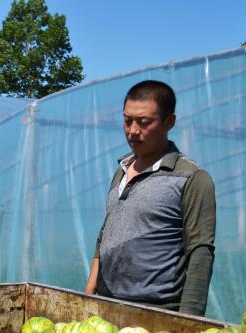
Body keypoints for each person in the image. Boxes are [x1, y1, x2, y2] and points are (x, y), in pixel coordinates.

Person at [85, 80, 216, 316]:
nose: (133, 130)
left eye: (144, 122)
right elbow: (106, 232)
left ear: (169, 122)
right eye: (127, 121)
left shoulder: (192, 178)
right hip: (105, 308)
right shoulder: (122, 169)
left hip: (156, 313)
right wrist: (89, 292)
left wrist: (188, 322)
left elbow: (200, 253)